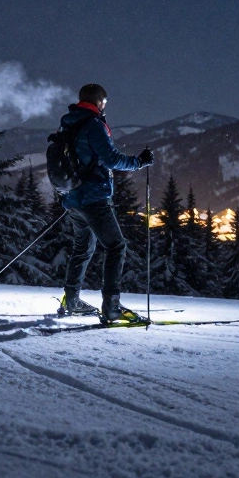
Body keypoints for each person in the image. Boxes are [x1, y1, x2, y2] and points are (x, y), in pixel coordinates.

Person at [56, 83, 154, 322]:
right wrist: (139, 162)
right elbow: (111, 159)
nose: (105, 106)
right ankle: (111, 307)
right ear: (98, 102)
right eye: (104, 102)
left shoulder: (69, 122)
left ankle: (71, 300)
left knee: (83, 248)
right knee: (116, 246)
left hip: (72, 198)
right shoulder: (93, 124)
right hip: (93, 197)